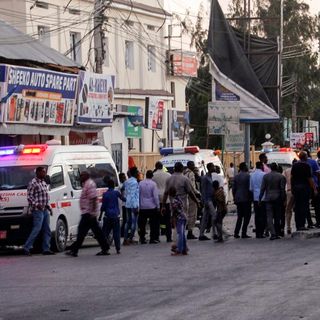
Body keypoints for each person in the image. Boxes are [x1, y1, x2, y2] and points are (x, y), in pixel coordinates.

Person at [65, 171, 110, 257]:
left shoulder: (90, 184)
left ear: (86, 176)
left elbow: (93, 199)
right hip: (88, 212)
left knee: (82, 231)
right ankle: (105, 247)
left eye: (82, 176)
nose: (80, 177)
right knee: (95, 232)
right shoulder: (86, 184)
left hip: (88, 213)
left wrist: (92, 212)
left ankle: (74, 250)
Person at [162, 162, 200, 251]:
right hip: (182, 206)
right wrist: (197, 202)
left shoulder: (169, 179)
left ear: (174, 169)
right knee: (181, 227)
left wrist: (163, 206)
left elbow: (165, 193)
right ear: (182, 169)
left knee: (176, 226)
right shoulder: (185, 179)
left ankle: (181, 245)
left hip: (173, 206)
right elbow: (191, 193)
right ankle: (179, 246)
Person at [24, 166, 54, 256]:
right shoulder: (33, 183)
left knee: (47, 229)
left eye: (45, 172)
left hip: (45, 209)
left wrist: (48, 207)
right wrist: (37, 205)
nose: (44, 174)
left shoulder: (43, 183)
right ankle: (27, 247)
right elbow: (29, 197)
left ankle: (46, 248)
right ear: (38, 172)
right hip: (37, 210)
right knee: (37, 229)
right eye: (43, 172)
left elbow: (45, 196)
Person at [259, 163, 286, 240]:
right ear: (277, 168)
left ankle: (273, 234)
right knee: (277, 216)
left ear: (270, 168)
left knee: (269, 216)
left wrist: (260, 198)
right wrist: (283, 199)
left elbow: (262, 189)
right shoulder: (281, 177)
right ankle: (277, 233)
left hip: (268, 198)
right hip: (277, 199)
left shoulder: (266, 176)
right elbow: (282, 190)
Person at [291, 151, 317, 231]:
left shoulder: (294, 165)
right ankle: (302, 224)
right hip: (304, 189)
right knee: (304, 206)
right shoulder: (307, 166)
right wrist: (314, 189)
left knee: (297, 207)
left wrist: (292, 188)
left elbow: (292, 178)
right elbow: (309, 179)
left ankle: (298, 225)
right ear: (305, 157)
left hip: (296, 188)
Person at [99, 179, 125, 254]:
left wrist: (100, 216)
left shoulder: (105, 194)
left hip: (107, 216)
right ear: (113, 186)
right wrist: (123, 192)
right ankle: (118, 249)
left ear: (108, 186)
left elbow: (103, 207)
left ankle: (105, 248)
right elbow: (124, 199)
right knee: (116, 233)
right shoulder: (116, 193)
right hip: (116, 216)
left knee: (105, 233)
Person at [138, 170, 160, 244]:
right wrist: (158, 206)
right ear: (152, 176)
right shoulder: (153, 184)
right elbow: (155, 196)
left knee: (142, 224)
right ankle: (152, 238)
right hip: (152, 206)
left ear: (146, 175)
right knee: (153, 223)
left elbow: (138, 195)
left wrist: (139, 205)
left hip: (143, 206)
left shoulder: (140, 183)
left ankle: (142, 238)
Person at [152, 161, 172, 242]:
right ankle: (169, 237)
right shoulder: (168, 175)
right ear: (162, 166)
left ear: (156, 167)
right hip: (166, 199)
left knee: (156, 219)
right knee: (167, 219)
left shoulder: (153, 176)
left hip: (156, 199)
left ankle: (156, 237)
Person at [233, 162, 252, 239]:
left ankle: (236, 232)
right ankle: (244, 232)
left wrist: (234, 197)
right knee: (247, 216)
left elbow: (233, 189)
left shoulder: (236, 176)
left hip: (238, 198)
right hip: (246, 198)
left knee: (240, 216)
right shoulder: (248, 176)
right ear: (244, 167)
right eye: (247, 166)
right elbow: (250, 188)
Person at [199, 162, 216, 241]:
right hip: (207, 200)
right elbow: (203, 190)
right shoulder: (205, 178)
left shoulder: (210, 177)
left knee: (205, 218)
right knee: (214, 216)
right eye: (213, 167)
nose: (214, 168)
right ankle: (215, 233)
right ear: (209, 168)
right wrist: (204, 200)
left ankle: (201, 234)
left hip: (210, 199)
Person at [168, 186, 187, 255]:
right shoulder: (179, 198)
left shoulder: (174, 201)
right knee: (182, 234)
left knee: (180, 234)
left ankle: (179, 249)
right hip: (183, 217)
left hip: (179, 218)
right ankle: (184, 249)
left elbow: (174, 212)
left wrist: (172, 219)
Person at [249, 161, 266, 238]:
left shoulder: (251, 175)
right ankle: (262, 232)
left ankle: (258, 232)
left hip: (255, 197)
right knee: (263, 215)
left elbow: (251, 188)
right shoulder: (264, 175)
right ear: (261, 166)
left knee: (257, 215)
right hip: (263, 198)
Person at [184, 161, 200, 240]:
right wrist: (198, 194)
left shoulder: (184, 173)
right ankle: (190, 232)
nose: (194, 166)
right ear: (190, 165)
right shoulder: (191, 174)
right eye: (193, 165)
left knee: (187, 214)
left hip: (185, 196)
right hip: (191, 196)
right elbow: (192, 187)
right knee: (192, 214)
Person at [123, 167, 140, 245]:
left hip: (127, 203)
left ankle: (125, 238)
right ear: (134, 173)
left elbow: (122, 189)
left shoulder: (126, 182)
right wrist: (136, 206)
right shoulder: (135, 182)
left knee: (127, 221)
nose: (138, 173)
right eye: (137, 172)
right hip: (133, 204)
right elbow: (134, 195)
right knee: (133, 222)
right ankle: (130, 239)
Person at [305, 149, 320, 228]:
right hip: (314, 185)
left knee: (306, 205)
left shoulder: (298, 163)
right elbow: (318, 173)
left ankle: (310, 223)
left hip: (306, 187)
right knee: (317, 205)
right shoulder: (313, 162)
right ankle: (317, 222)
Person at [283, 160, 297, 234]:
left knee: (288, 210)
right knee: (298, 210)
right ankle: (299, 225)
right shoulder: (298, 170)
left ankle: (288, 227)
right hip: (297, 192)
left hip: (289, 191)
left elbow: (283, 181)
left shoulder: (286, 171)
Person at [119, 172, 127, 238]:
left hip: (125, 204)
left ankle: (123, 232)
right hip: (123, 204)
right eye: (124, 177)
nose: (125, 178)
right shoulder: (121, 185)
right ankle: (122, 233)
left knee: (125, 219)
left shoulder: (124, 184)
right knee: (125, 219)